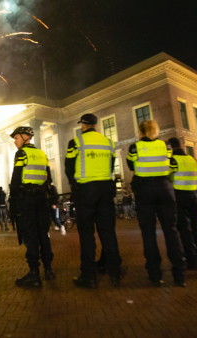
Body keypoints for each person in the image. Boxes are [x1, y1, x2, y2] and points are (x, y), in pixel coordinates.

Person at [65, 114, 123, 288]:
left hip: (86, 191)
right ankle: (115, 272)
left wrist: (75, 185)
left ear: (83, 125)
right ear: (96, 125)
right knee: (108, 232)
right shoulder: (109, 143)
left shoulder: (76, 142)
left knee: (86, 233)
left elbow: (69, 168)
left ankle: (89, 275)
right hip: (105, 190)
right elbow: (111, 166)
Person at [127, 120, 186, 287]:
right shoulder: (166, 146)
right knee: (171, 231)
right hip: (165, 189)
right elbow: (168, 163)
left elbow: (131, 165)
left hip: (145, 190)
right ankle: (179, 273)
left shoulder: (135, 147)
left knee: (148, 233)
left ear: (141, 131)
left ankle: (155, 274)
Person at [10, 126, 56, 287]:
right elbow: (48, 179)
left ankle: (34, 274)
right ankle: (48, 269)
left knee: (30, 234)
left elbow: (16, 179)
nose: (15, 141)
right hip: (41, 199)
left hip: (27, 199)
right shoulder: (42, 154)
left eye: (16, 138)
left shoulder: (21, 153)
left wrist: (13, 199)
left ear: (25, 137)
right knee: (43, 234)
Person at [167, 137, 197, 269]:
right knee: (196, 228)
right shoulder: (192, 160)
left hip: (179, 197)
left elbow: (167, 178)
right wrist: (195, 186)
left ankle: (191, 260)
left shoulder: (172, 161)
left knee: (184, 229)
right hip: (193, 196)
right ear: (181, 146)